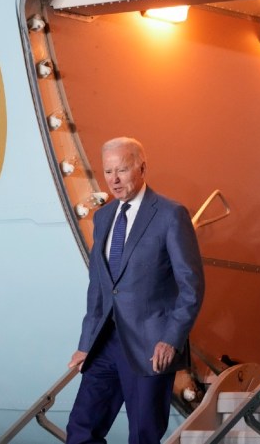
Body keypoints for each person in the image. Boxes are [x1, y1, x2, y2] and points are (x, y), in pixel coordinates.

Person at [66, 137, 205, 444]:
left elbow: (191, 286)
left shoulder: (170, 215)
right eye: (108, 172)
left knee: (143, 436)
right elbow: (99, 289)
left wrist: (171, 340)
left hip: (150, 347)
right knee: (80, 431)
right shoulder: (102, 217)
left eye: (122, 170)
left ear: (142, 168)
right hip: (105, 344)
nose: (114, 179)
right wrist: (86, 343)